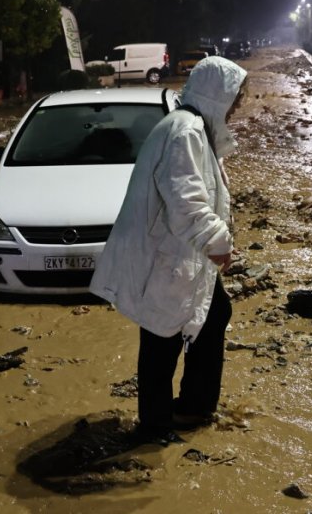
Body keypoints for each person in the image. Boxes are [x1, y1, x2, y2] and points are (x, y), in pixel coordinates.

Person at [90, 56, 247, 446]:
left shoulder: (191, 128)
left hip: (178, 252)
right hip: (169, 255)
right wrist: (217, 242)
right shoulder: (187, 133)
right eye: (236, 98)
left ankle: (193, 406)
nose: (240, 106)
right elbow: (187, 201)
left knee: (208, 316)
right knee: (162, 339)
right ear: (217, 96)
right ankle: (155, 427)